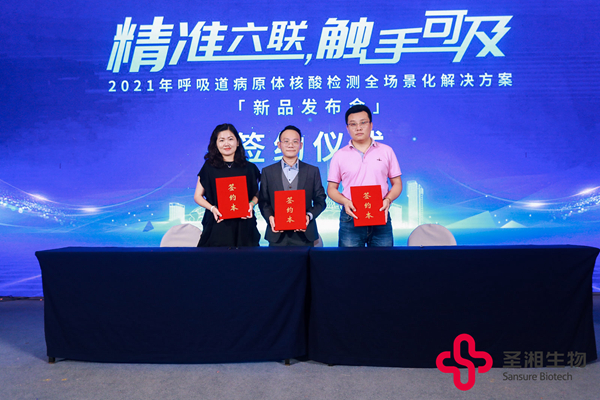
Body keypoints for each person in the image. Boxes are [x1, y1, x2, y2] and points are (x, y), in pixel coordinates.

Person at [327, 105, 402, 247]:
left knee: (384, 260)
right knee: (350, 260)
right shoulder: (339, 155)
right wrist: (345, 202)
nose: (358, 128)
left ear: (371, 125)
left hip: (381, 214)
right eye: (353, 124)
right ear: (347, 128)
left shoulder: (386, 151)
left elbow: (397, 183)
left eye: (363, 123)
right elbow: (331, 188)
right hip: (351, 216)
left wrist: (388, 200)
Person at [194, 123, 261, 247]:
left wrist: (251, 204)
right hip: (217, 223)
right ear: (216, 144)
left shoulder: (250, 168)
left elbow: (257, 193)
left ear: (238, 142)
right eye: (221, 140)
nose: (226, 144)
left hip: (244, 225)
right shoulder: (208, 168)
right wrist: (212, 208)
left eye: (230, 139)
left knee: (246, 257)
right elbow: (198, 196)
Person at [259, 125, 327, 246]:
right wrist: (270, 217)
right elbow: (263, 201)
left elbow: (320, 200)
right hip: (277, 234)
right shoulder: (267, 172)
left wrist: (309, 216)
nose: (291, 145)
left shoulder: (312, 171)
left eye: (295, 141)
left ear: (301, 145)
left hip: (305, 234)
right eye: (286, 141)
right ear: (279, 145)